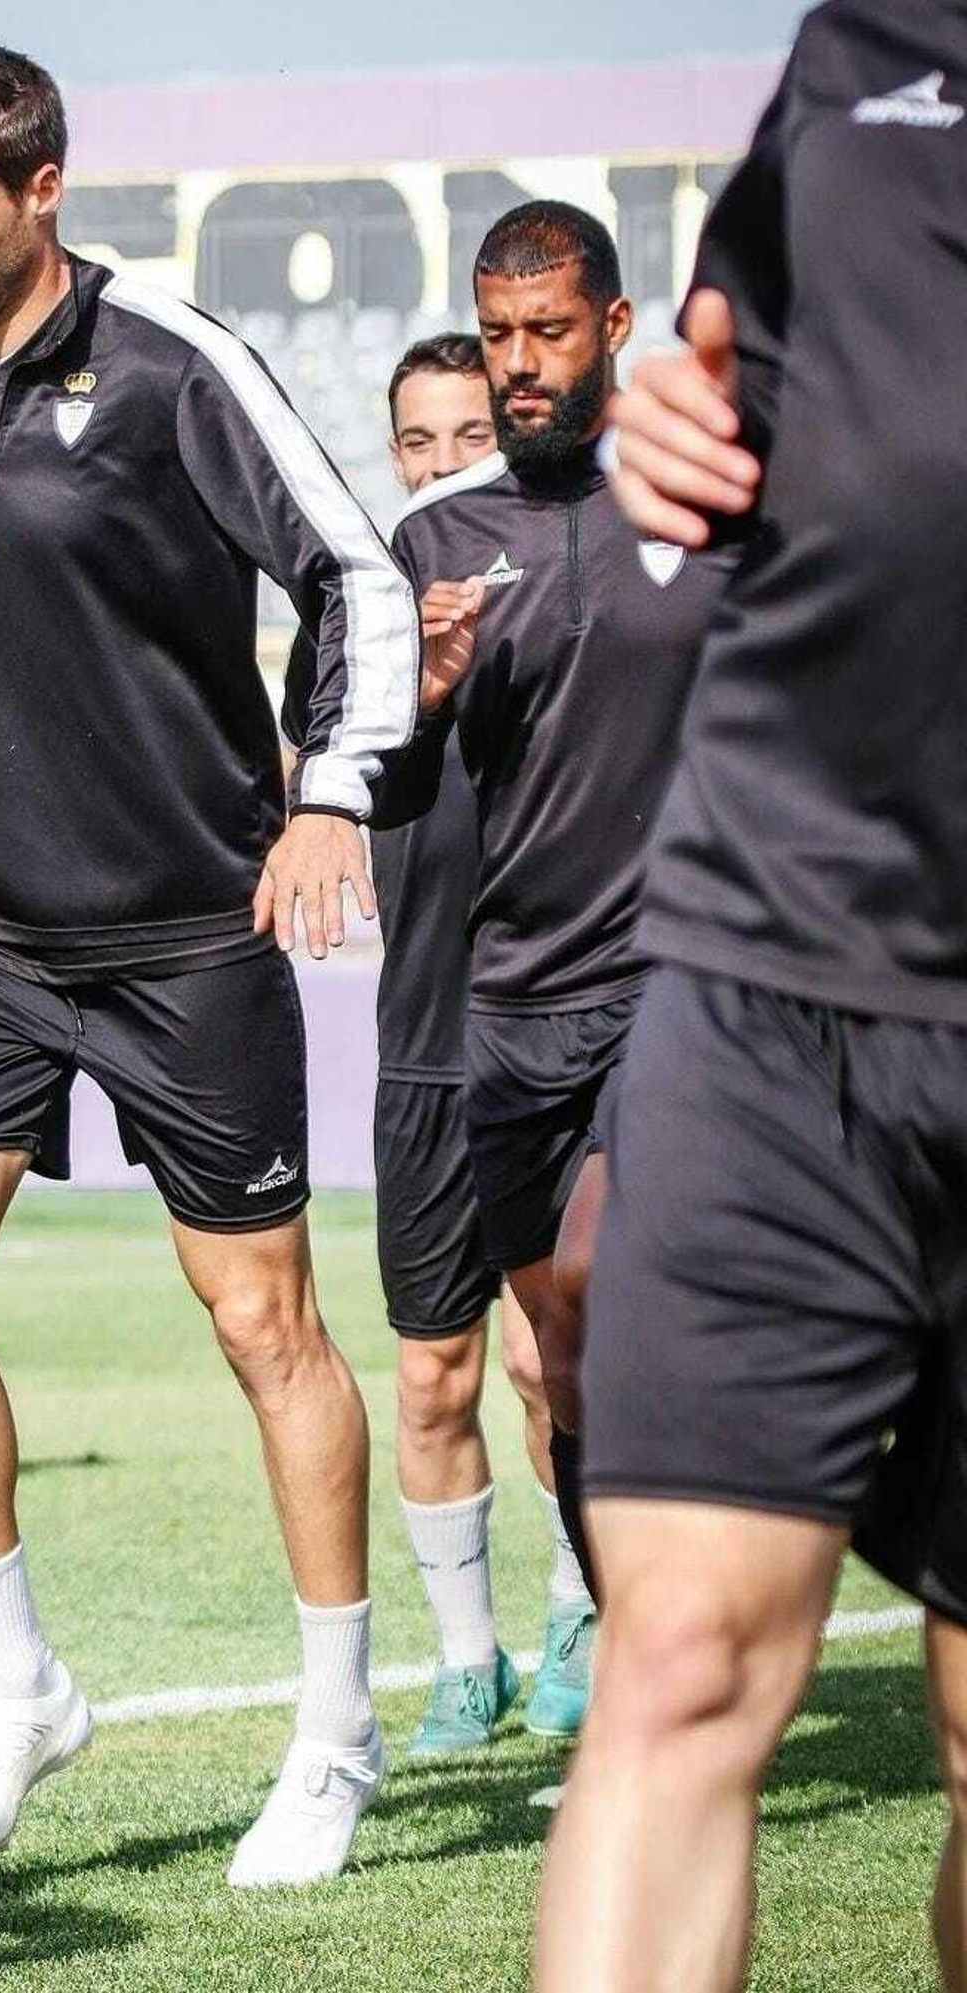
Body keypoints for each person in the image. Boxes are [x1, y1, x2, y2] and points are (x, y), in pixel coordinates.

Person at [0, 38, 421, 1889]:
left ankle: (338, 1728)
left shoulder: (175, 367)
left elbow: (354, 575)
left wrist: (330, 797)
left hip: (190, 929)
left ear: (45, 188)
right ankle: (18, 1689)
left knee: (264, 1324)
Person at [535, 7, 967, 1987]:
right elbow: (727, 392)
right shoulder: (856, 41)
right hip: (767, 942)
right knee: (681, 1656)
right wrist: (662, 430)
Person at [378, 202, 736, 1636]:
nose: (520, 365)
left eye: (548, 333)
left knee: (605, 1284)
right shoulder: (432, 541)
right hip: (508, 1010)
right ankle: (635, 1627)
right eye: (500, 336)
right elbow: (372, 770)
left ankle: (682, 1643)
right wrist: (425, 692)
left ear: (614, 330)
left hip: (680, 988)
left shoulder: (703, 499)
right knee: (561, 1356)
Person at [285, 335, 580, 1754]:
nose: (449, 456)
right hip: (421, 1052)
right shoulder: (371, 603)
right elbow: (319, 763)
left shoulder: (562, 581)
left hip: (547, 1025)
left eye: (474, 429)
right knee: (431, 1375)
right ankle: (471, 1660)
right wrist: (429, 676)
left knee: (550, 1362)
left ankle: (585, 1611)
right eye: (421, 437)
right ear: (392, 452)